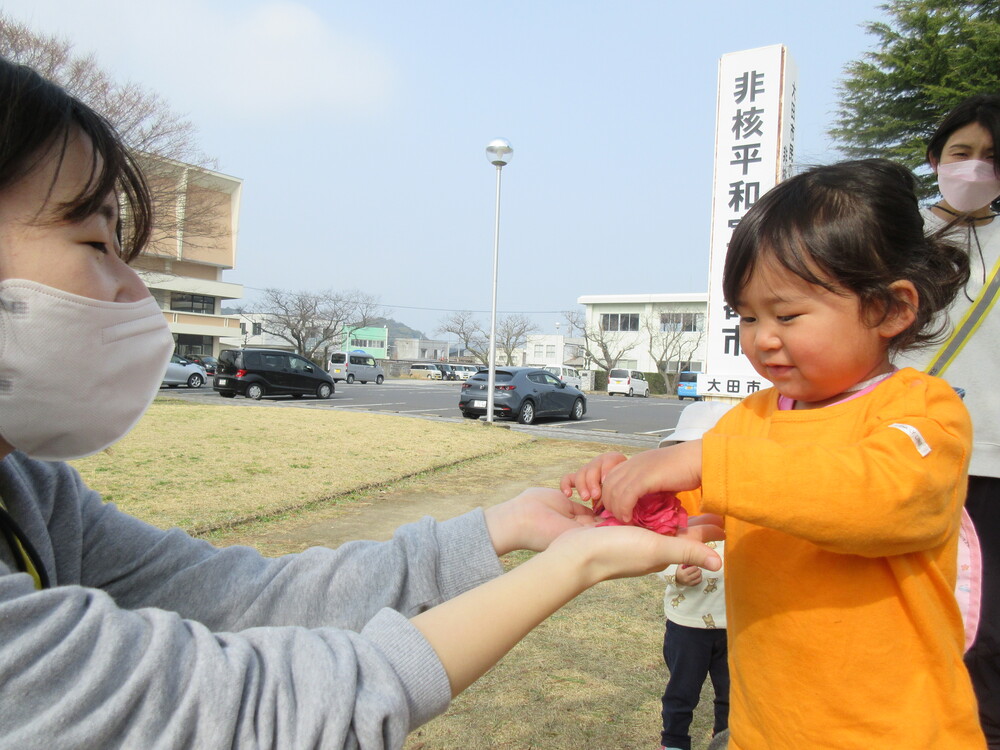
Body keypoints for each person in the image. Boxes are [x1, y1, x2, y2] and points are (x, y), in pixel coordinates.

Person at [0, 58, 724, 747]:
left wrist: (504, 525)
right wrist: (575, 565)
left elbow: (240, 599)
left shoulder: (30, 495)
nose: (135, 293)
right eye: (96, 240)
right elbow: (250, 715)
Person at [562, 159, 987, 749]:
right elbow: (692, 508)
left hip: (900, 731)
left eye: (787, 315)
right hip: (766, 729)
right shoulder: (752, 419)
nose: (761, 337)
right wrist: (623, 490)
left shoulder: (922, 411)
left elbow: (887, 499)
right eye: (748, 316)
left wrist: (707, 462)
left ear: (890, 309)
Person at [895, 93, 1000, 748]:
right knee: (899, 613)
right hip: (901, 451)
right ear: (934, 158)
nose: (975, 168)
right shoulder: (890, 235)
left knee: (985, 632)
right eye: (961, 152)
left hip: (990, 463)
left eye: (993, 158)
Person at [656, 401, 732, 750]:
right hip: (687, 623)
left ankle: (727, 740)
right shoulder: (671, 502)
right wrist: (675, 573)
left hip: (736, 624)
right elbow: (655, 552)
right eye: (689, 450)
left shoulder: (743, 500)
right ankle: (673, 742)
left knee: (732, 697)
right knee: (681, 692)